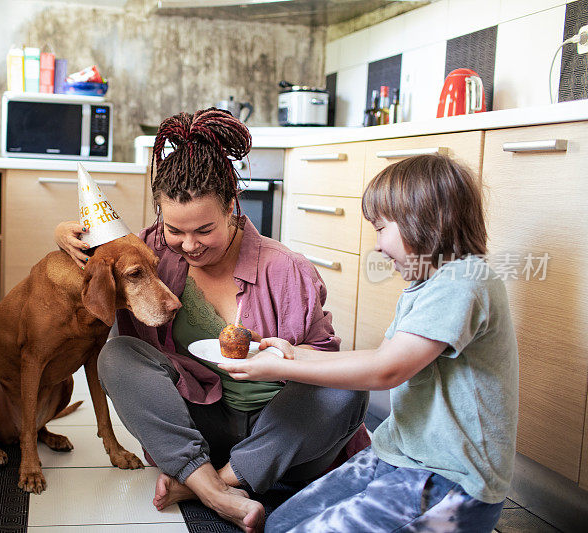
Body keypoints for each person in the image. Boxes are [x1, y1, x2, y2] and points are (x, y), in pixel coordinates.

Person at [55, 108, 369, 533]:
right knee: (117, 356)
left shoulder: (287, 270)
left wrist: (289, 355)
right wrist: (62, 233)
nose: (188, 245)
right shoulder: (151, 253)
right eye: (174, 230)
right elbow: (98, 259)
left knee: (347, 389)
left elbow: (324, 358)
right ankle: (209, 482)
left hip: (281, 437)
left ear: (232, 207)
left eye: (204, 230)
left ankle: (210, 486)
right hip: (198, 429)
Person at [219, 153, 519, 532]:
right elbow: (382, 356)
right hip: (398, 455)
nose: (377, 246)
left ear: (421, 220)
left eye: (380, 229)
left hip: (447, 479)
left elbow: (387, 370)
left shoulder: (462, 281)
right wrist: (295, 355)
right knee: (280, 525)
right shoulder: (427, 286)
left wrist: (280, 368)